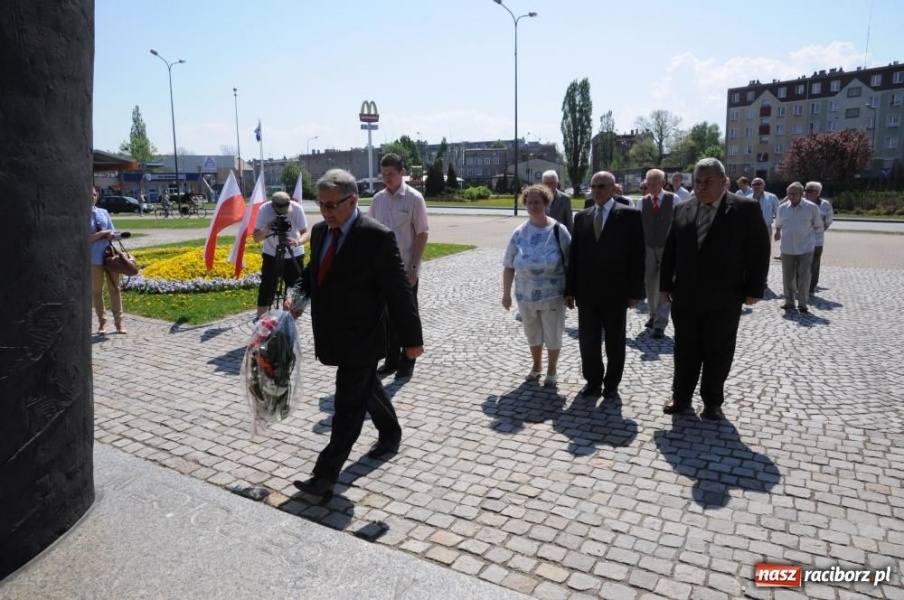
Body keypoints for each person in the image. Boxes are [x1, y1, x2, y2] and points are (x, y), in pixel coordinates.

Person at [290, 169, 423, 499]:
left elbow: (397, 291)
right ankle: (390, 433)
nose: (326, 212)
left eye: (332, 205)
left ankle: (324, 476)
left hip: (364, 336)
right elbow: (312, 276)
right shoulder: (321, 232)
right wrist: (295, 301)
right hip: (333, 333)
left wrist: (411, 338)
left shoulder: (376, 236)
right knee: (368, 387)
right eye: (321, 205)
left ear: (353, 201)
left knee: (347, 406)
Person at [660, 158, 769, 420]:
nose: (701, 186)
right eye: (697, 181)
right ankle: (681, 397)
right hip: (686, 294)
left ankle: (712, 401)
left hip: (724, 296)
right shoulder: (683, 208)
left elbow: (759, 251)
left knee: (718, 350)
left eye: (708, 181)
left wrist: (754, 288)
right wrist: (665, 285)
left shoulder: (746, 209)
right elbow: (670, 249)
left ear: (723, 181)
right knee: (685, 348)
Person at [564, 171, 645, 399]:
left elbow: (638, 256)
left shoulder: (629, 216)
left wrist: (635, 291)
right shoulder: (582, 217)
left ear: (612, 188)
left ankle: (611, 384)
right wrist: (569, 290)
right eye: (594, 186)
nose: (597, 191)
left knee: (614, 341)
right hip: (587, 292)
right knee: (588, 341)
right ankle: (592, 381)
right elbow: (575, 256)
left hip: (616, 292)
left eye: (601, 186)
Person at [502, 185, 571, 387]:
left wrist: (571, 292)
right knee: (532, 332)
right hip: (525, 295)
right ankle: (536, 366)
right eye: (529, 202)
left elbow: (570, 262)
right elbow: (508, 265)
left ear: (546, 203)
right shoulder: (519, 232)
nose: (533, 206)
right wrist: (506, 294)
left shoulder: (559, 230)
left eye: (537, 202)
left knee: (553, 332)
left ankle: (552, 369)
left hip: (553, 294)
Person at [368, 153, 429, 379]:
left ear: (402, 172)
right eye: (383, 175)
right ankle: (391, 359)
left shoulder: (414, 198)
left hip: (406, 269)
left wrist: (413, 267)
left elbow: (422, 233)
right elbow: (371, 232)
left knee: (406, 315)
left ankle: (407, 361)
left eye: (391, 174)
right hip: (382, 270)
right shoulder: (378, 199)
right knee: (386, 316)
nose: (386, 179)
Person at [252, 191, 310, 320]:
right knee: (267, 286)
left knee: (294, 289)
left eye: (285, 210)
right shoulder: (264, 209)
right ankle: (260, 319)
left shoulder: (296, 208)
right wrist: (267, 228)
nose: (282, 213)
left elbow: (306, 233)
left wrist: (298, 241)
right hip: (272, 253)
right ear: (273, 206)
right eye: (279, 211)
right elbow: (256, 238)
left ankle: (287, 320)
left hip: (294, 252)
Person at [639, 169, 678, 339]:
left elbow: (680, 223)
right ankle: (653, 314)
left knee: (664, 284)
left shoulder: (673, 199)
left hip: (667, 246)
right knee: (649, 283)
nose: (651, 186)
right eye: (648, 183)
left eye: (654, 183)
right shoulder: (642, 202)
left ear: (663, 183)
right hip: (648, 246)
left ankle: (661, 322)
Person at [775, 182, 823, 313]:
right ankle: (789, 301)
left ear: (802, 194)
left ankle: (802, 302)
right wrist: (778, 232)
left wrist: (811, 238)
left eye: (794, 193)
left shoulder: (812, 208)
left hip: (805, 248)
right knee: (788, 277)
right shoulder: (783, 207)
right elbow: (778, 223)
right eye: (789, 193)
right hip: (787, 248)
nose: (791, 196)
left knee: (804, 276)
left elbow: (818, 225)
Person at [89, 187, 126, 335]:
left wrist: (113, 235)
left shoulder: (103, 212)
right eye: (89, 195)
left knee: (115, 289)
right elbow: (86, 238)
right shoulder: (80, 215)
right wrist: (103, 233)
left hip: (110, 257)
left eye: (94, 194)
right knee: (97, 291)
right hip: (93, 259)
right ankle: (102, 323)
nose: (91, 197)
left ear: (97, 196)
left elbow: (115, 232)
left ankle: (119, 322)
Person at [805, 181, 833, 294]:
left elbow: (829, 221)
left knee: (814, 264)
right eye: (805, 190)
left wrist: (819, 230)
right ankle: (800, 285)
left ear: (817, 192)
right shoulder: (801, 203)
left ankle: (811, 286)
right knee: (801, 263)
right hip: (802, 239)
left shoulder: (825, 204)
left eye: (809, 190)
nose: (805, 193)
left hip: (817, 240)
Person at [751, 178, 780, 259]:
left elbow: (778, 214)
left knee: (765, 250)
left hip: (766, 228)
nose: (756, 186)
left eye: (759, 184)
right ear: (751, 186)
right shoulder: (747, 198)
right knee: (751, 249)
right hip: (750, 229)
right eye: (754, 184)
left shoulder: (772, 197)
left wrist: (778, 231)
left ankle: (764, 269)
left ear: (764, 185)